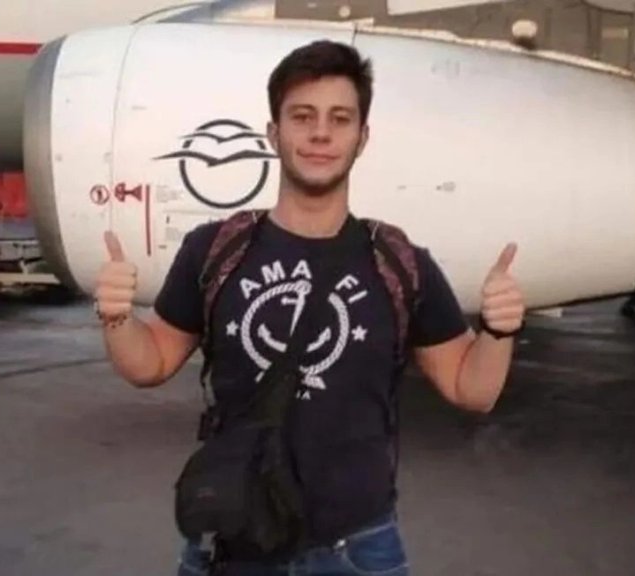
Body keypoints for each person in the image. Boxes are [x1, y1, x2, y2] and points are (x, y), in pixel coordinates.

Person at [95, 39, 525, 576]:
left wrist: (499, 330)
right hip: (234, 539)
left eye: (340, 119)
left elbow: (472, 389)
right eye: (302, 116)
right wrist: (116, 317)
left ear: (362, 138)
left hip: (357, 549)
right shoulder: (217, 250)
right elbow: (149, 363)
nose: (321, 133)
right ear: (273, 133)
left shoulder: (399, 262)